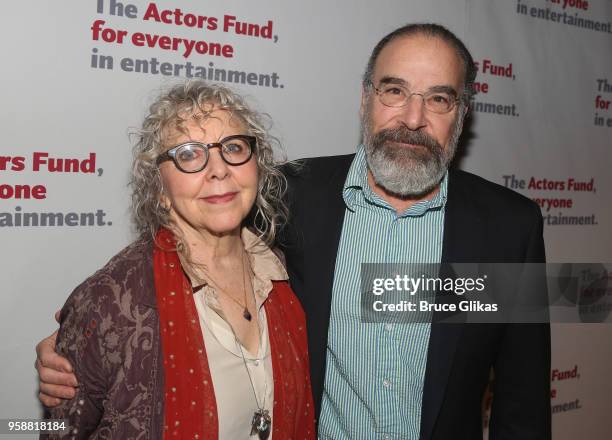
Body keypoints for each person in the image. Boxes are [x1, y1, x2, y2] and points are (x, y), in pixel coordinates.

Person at [37, 23, 550, 439]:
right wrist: (79, 343)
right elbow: (181, 249)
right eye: (395, 91)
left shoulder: (507, 227)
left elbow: (522, 402)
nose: (412, 118)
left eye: (439, 99)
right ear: (366, 98)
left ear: (461, 115)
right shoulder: (289, 195)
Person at [38, 81, 315, 439]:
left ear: (257, 169)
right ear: (159, 188)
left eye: (233, 147)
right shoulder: (111, 300)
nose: (218, 170)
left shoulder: (288, 273)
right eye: (188, 154)